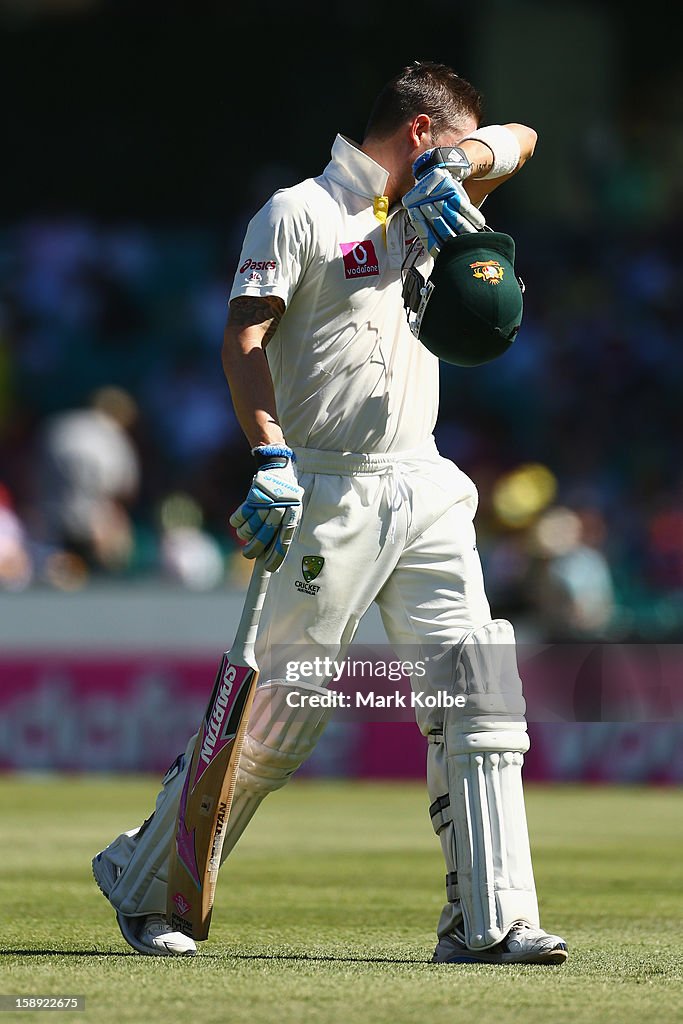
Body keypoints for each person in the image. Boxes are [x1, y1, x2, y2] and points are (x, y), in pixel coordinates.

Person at [93, 61, 568, 965]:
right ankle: (145, 880)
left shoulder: (432, 198)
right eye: (448, 141)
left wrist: (454, 165)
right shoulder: (298, 210)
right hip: (322, 483)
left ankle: (488, 923)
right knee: (279, 713)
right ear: (418, 130)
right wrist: (269, 452)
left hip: (424, 480)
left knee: (479, 696)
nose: (467, 167)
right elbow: (244, 335)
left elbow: (521, 142)